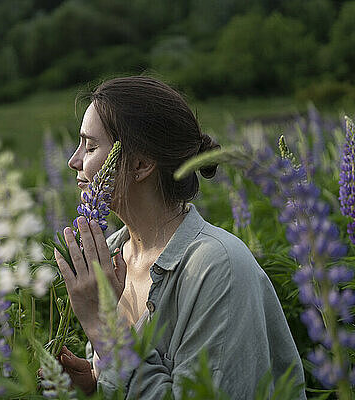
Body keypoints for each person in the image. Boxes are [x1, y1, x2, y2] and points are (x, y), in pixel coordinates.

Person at [52, 76, 306, 399]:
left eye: (89, 146)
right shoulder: (113, 252)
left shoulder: (217, 268)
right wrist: (94, 387)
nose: (73, 161)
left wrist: (105, 328)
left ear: (141, 164)